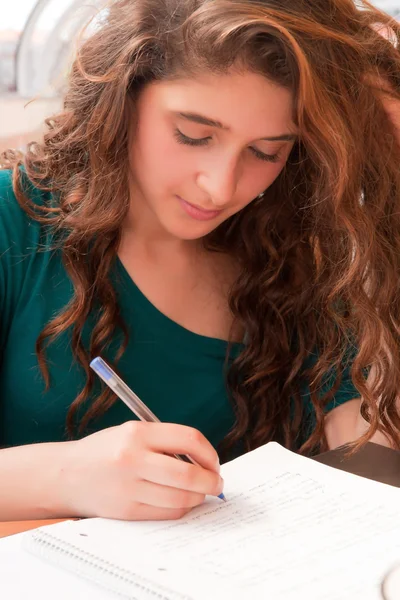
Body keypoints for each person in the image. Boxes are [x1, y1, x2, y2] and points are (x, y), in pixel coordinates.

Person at [1, 0, 400, 522]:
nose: (221, 186)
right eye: (193, 135)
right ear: (121, 96)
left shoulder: (297, 247)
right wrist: (66, 475)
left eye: (266, 152)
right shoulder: (16, 222)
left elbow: (364, 444)